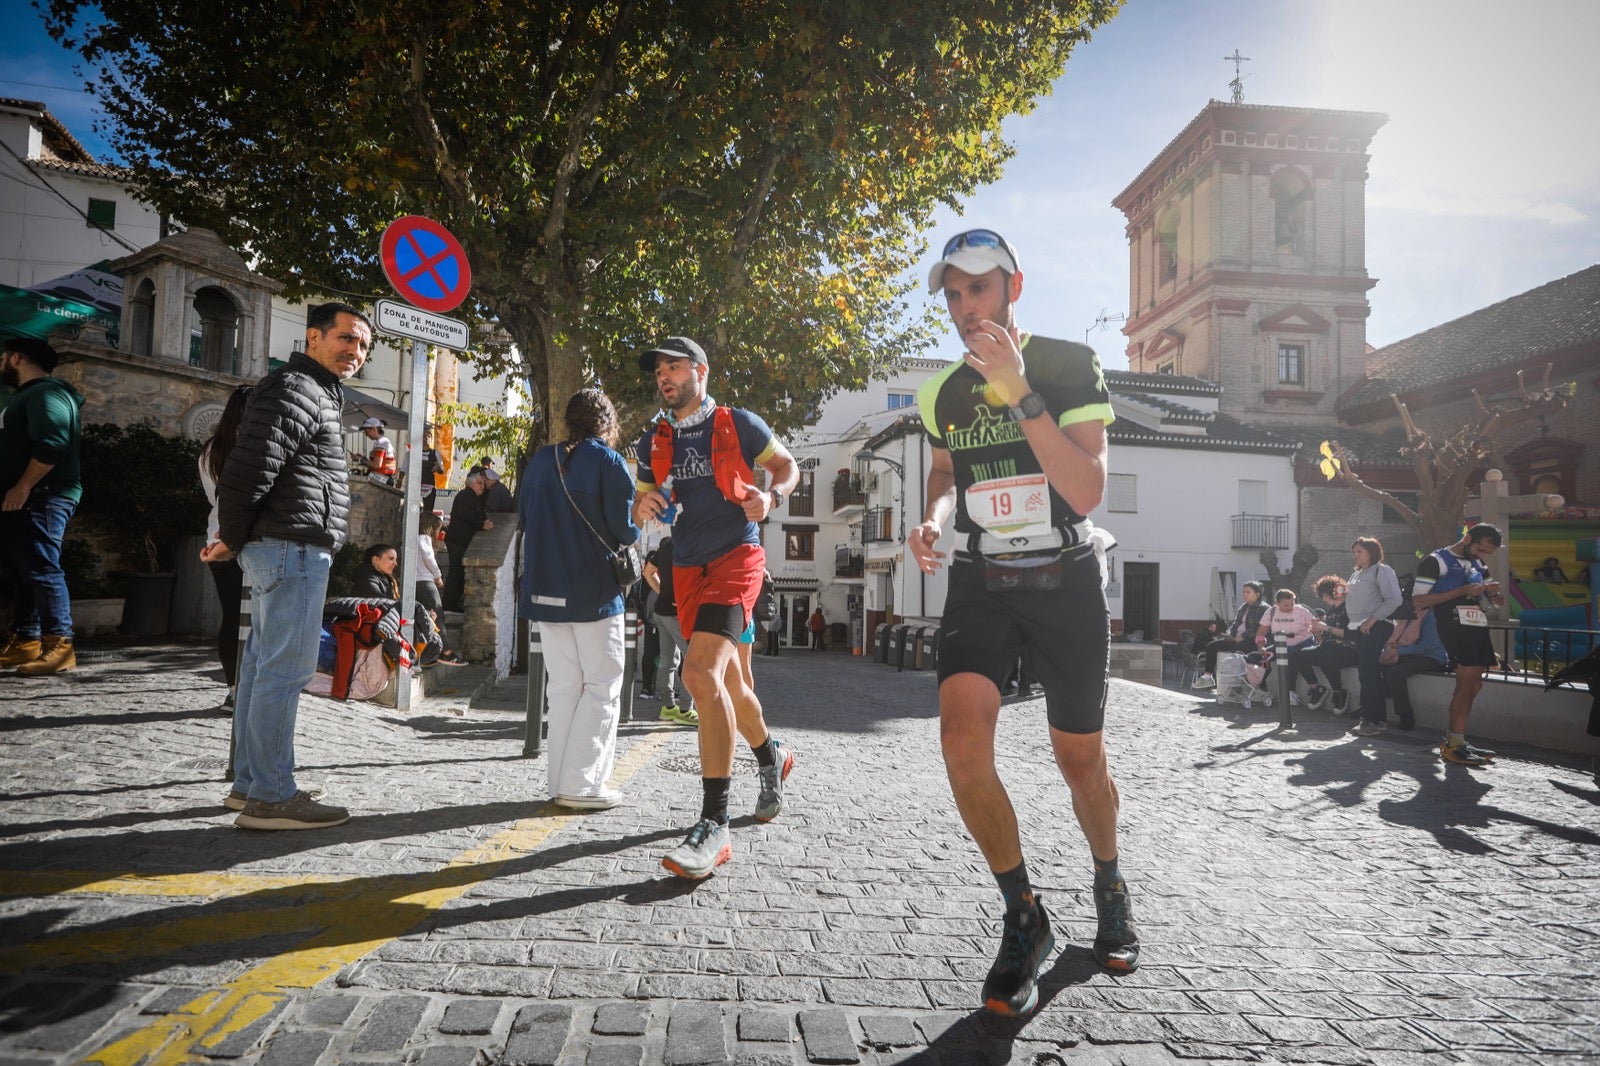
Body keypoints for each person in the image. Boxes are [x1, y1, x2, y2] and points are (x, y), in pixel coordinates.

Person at [905, 228, 1136, 1018]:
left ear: (1014, 287)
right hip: (981, 578)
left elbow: (1084, 488)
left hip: (1066, 577)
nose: (967, 307)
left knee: (1081, 762)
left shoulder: (1068, 361)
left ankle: (1109, 879)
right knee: (960, 738)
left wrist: (1018, 389)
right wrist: (933, 518)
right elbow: (942, 472)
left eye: (981, 288)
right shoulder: (941, 391)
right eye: (954, 293)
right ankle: (1024, 914)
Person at [632, 336, 800, 880]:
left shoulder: (739, 423)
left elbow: (788, 466)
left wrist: (771, 497)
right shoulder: (652, 440)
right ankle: (771, 754)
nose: (664, 375)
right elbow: (642, 500)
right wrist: (644, 503)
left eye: (674, 365)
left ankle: (714, 825)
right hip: (687, 566)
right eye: (659, 368)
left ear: (700, 371)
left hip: (738, 557)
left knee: (699, 672)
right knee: (726, 686)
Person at [201, 302, 372, 830]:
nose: (355, 351)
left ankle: (252, 784)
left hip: (284, 545)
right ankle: (273, 797)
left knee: (259, 666)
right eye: (345, 338)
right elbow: (248, 469)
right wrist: (230, 534)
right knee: (285, 670)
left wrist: (234, 536)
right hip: (290, 547)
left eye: (362, 345)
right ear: (314, 337)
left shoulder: (310, 390)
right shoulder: (297, 388)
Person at [520, 388, 638, 809]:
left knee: (565, 687)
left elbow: (527, 519)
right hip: (594, 591)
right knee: (603, 685)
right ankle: (583, 785)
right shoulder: (609, 462)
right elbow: (624, 531)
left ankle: (560, 782)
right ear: (606, 422)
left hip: (544, 587)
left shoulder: (538, 461)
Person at [0, 336, 85, 675]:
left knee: (41, 569)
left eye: (3, 356)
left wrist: (22, 487)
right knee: (24, 571)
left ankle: (60, 646)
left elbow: (52, 444)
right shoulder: (29, 395)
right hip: (31, 495)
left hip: (41, 495)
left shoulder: (44, 393)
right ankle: (26, 640)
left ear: (16, 358)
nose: (1, 362)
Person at [1412, 523, 1504, 765]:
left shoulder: (1478, 563)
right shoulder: (1436, 560)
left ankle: (1456, 740)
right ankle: (1454, 744)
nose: (1482, 557)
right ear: (1468, 539)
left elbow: (1497, 604)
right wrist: (1461, 590)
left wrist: (1493, 592)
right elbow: (1418, 600)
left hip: (1477, 624)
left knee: (1473, 685)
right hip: (1452, 624)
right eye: (1481, 550)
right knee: (1468, 683)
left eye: (1487, 554)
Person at [198, 384, 253, 706]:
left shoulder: (211, 450)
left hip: (219, 537)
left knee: (233, 617)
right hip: (256, 542)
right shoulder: (259, 447)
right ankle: (253, 692)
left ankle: (235, 689)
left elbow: (212, 498)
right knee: (261, 621)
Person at [1346, 536, 1403, 737]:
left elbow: (1394, 599)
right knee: (1369, 672)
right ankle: (1378, 719)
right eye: (1354, 551)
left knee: (1368, 672)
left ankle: (1369, 719)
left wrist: (1373, 619)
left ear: (1372, 551)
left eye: (1359, 551)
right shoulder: (1356, 575)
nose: (1355, 555)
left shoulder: (1382, 570)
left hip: (1375, 626)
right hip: (1359, 628)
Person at [644, 536, 698, 726]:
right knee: (693, 658)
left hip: (662, 610)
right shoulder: (691, 545)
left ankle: (668, 707)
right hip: (678, 612)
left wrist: (662, 592)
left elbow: (648, 572)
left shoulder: (666, 546)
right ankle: (685, 709)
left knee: (667, 660)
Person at [1380, 608, 1448, 731]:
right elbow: (1396, 639)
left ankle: (1406, 716)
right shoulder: (1407, 615)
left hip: (1432, 657)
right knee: (1376, 664)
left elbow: (1428, 645)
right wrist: (1391, 652)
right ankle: (1371, 708)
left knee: (1396, 672)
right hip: (1410, 654)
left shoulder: (1430, 616)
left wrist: (1399, 652)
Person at [1192, 581, 1268, 689]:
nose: (1244, 594)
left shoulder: (1263, 608)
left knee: (1236, 653)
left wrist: (1242, 637)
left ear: (1257, 594)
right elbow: (1235, 624)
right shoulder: (1243, 607)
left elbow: (1258, 628)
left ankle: (1238, 685)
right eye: (1243, 592)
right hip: (1236, 638)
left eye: (1248, 592)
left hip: (1251, 641)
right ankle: (1208, 677)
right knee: (1211, 646)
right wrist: (1229, 634)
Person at [1304, 575, 1361, 714]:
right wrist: (1317, 632)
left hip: (1350, 649)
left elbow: (1350, 635)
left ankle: (1338, 692)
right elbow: (1324, 640)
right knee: (1299, 655)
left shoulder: (1350, 608)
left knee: (1327, 658)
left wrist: (1325, 627)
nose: (1322, 599)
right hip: (1330, 647)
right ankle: (1316, 688)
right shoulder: (1331, 611)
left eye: (1322, 595)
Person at [443, 468, 494, 611]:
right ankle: (449, 604)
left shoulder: (473, 498)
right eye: (479, 483)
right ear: (471, 483)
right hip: (457, 542)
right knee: (456, 574)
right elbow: (467, 514)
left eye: (483, 484)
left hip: (461, 542)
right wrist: (481, 523)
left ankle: (452, 604)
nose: (482, 487)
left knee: (459, 574)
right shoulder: (465, 495)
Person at [1256, 588, 1317, 700]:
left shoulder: (1301, 611)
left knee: (1292, 659)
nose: (1289, 607)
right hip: (1281, 645)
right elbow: (1261, 632)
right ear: (1277, 603)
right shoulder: (1271, 612)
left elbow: (1315, 625)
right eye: (1286, 605)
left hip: (1302, 643)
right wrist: (1261, 646)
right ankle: (1260, 686)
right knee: (1263, 659)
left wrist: (1318, 637)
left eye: (1292, 604)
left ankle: (1290, 692)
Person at [418, 427, 444, 513]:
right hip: (416, 486)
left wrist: (438, 468)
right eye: (424, 436)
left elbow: (442, 470)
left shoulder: (435, 453)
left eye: (429, 436)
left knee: (428, 512)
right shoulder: (415, 452)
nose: (426, 438)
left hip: (429, 487)